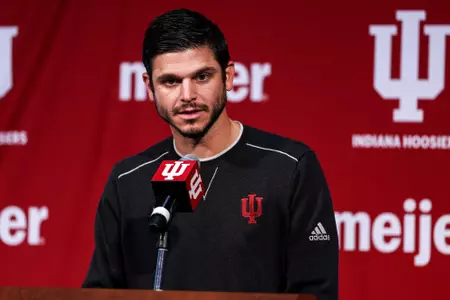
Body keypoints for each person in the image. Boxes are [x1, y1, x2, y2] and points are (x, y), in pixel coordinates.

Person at [82, 8, 339, 300]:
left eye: (202, 76)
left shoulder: (290, 168)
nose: (188, 94)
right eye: (171, 81)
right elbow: (101, 291)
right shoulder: (127, 180)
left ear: (228, 77)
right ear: (149, 88)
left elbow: (316, 292)